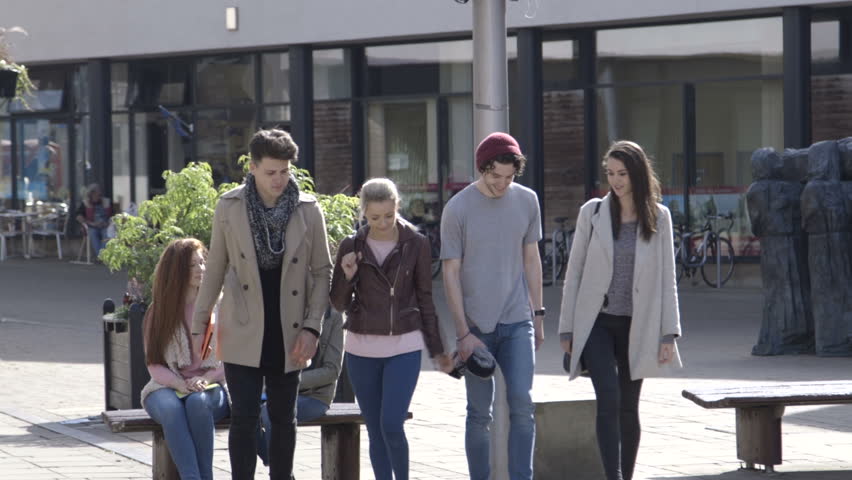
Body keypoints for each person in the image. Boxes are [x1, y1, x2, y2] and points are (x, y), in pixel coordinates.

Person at [191, 128, 332, 480]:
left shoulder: (308, 210)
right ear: (252, 167)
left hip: (291, 330)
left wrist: (313, 328)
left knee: (285, 419)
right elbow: (215, 268)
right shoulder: (229, 206)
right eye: (271, 172)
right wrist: (199, 325)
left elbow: (321, 272)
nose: (279, 179)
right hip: (242, 326)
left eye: (285, 171)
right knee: (244, 419)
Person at [558, 140, 683, 480]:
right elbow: (575, 273)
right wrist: (566, 329)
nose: (615, 180)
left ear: (637, 174)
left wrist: (668, 331)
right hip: (597, 321)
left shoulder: (659, 217)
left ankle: (625, 476)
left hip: (638, 324)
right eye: (610, 173)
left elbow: (667, 278)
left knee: (629, 407)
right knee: (608, 398)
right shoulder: (593, 213)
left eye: (622, 173)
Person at [330, 177, 453, 480]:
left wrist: (437, 349)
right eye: (374, 218)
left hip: (404, 345)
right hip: (361, 347)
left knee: (392, 424)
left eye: (389, 215)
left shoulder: (417, 243)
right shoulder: (352, 244)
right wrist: (347, 276)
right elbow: (337, 303)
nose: (382, 223)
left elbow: (425, 299)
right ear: (363, 213)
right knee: (375, 429)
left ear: (398, 206)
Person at [440, 132, 545, 480]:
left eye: (509, 177)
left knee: (523, 406)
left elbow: (531, 258)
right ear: (481, 168)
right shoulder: (457, 208)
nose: (502, 183)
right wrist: (462, 333)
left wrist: (539, 316)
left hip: (517, 321)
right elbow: (450, 273)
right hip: (476, 329)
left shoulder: (528, 200)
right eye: (494, 176)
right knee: (479, 415)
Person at [140, 238, 229, 480]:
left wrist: (205, 377)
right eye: (192, 265)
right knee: (171, 408)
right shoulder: (158, 312)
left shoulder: (221, 307)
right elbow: (154, 364)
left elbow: (231, 357)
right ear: (176, 270)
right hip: (166, 386)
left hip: (212, 385)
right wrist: (179, 384)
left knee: (197, 403)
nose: (201, 269)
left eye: (202, 263)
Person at [256, 309, 345, 466]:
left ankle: (279, 471)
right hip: (274, 390)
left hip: (314, 397)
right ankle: (280, 470)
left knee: (272, 411)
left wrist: (290, 382)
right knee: (243, 412)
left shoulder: (334, 317)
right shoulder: (285, 307)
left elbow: (332, 371)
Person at [75, 183, 114, 257]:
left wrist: (108, 223)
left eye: (99, 193)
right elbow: (78, 216)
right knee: (92, 233)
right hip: (91, 226)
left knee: (107, 233)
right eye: (95, 193)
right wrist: (90, 223)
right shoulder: (85, 203)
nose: (97, 195)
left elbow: (113, 215)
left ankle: (101, 256)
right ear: (91, 194)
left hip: (105, 225)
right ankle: (101, 256)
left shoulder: (107, 202)